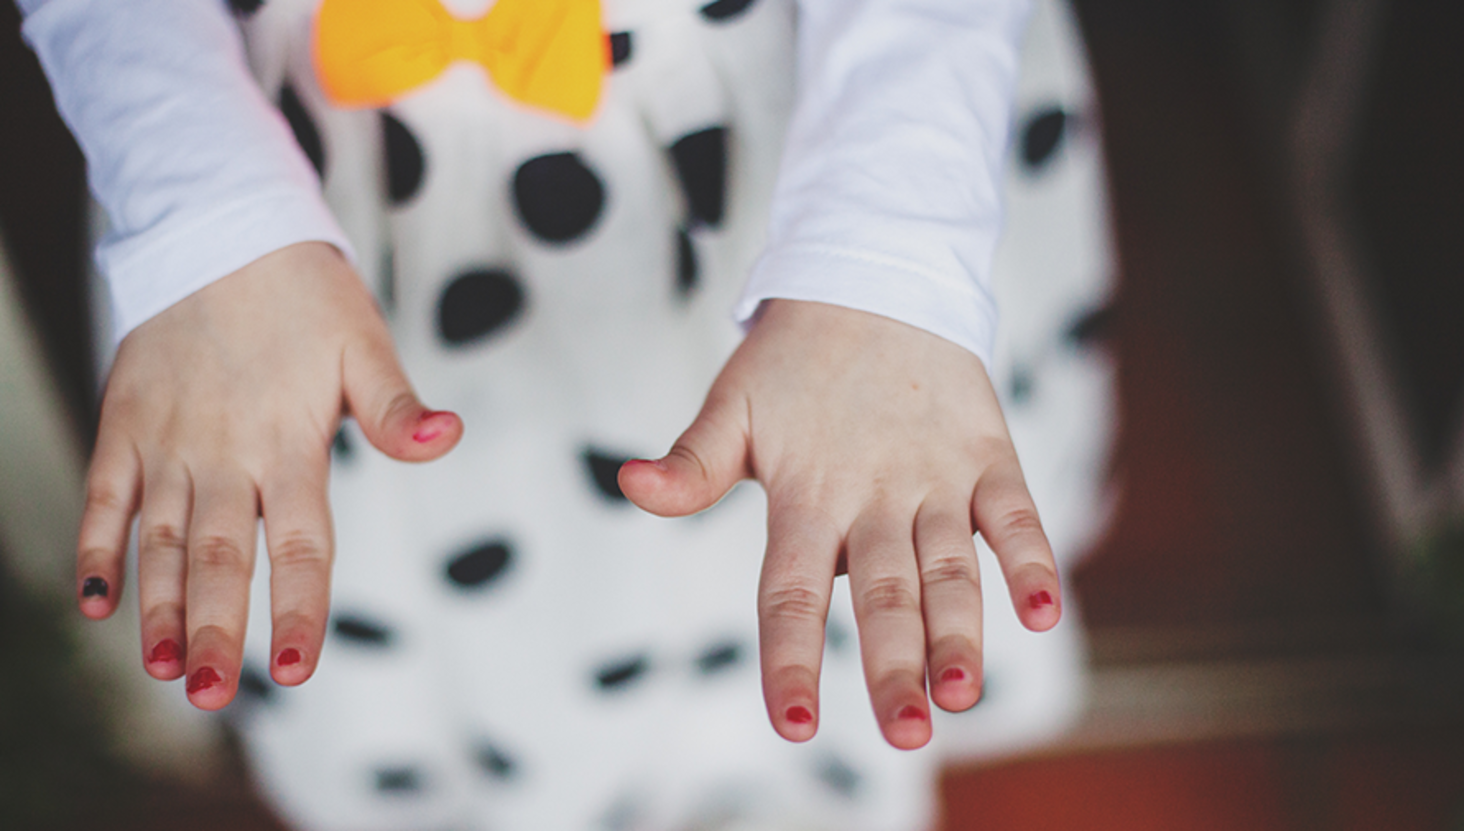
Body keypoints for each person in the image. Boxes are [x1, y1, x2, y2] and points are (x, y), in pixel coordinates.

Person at [20, 0, 1105, 828]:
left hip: (819, 138)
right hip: (263, 178)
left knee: (809, 554)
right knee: (372, 576)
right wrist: (206, 216)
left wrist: (883, 260)